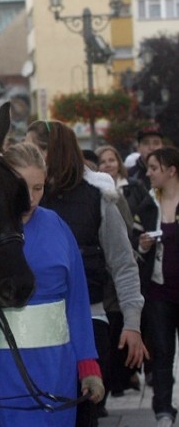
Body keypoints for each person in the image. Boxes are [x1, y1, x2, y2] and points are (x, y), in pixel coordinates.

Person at [0, 141, 103, 426]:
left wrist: (88, 364)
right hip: (6, 364)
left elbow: (77, 301)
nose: (32, 199)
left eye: (39, 188)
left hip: (60, 365)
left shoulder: (57, 225)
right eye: (23, 187)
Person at [25, 121, 146, 427]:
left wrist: (132, 324)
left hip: (89, 323)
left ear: (51, 152)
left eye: (34, 149)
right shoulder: (23, 202)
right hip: (32, 326)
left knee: (83, 415)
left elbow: (123, 264)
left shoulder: (97, 198)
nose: (27, 156)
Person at [96, 144, 157, 398]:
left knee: (126, 316)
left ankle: (130, 372)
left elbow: (138, 220)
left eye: (112, 160)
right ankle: (119, 377)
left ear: (119, 163)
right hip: (107, 271)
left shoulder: (130, 188)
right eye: (104, 161)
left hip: (129, 258)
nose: (108, 164)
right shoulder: (99, 190)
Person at [137, 146, 179, 427]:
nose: (149, 173)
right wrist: (141, 246)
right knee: (162, 351)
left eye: (154, 168)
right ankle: (163, 408)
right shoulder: (147, 204)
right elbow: (134, 242)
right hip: (158, 291)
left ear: (171, 170)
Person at [129, 125, 165, 190]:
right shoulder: (130, 175)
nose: (151, 148)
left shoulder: (171, 173)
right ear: (138, 147)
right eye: (146, 143)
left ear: (162, 146)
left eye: (156, 143)